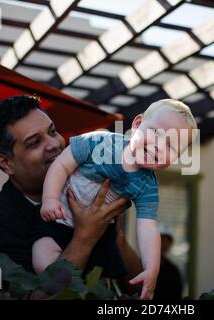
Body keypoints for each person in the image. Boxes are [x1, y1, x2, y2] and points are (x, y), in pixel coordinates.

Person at [0, 95, 142, 297]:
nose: (54, 144)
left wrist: (116, 235)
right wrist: (85, 237)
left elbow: (139, 289)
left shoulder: (87, 185)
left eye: (52, 132)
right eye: (34, 143)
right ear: (6, 163)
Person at [36, 99, 197, 300]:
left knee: (98, 282)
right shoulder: (101, 142)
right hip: (58, 221)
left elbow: (147, 228)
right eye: (156, 133)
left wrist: (152, 269)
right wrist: (50, 199)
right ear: (137, 124)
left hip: (98, 239)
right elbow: (62, 165)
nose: (158, 146)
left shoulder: (147, 186)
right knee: (44, 266)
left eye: (171, 147)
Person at [154, 229, 183, 300]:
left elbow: (177, 291)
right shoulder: (144, 263)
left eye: (166, 243)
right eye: (162, 242)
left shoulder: (172, 269)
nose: (163, 245)